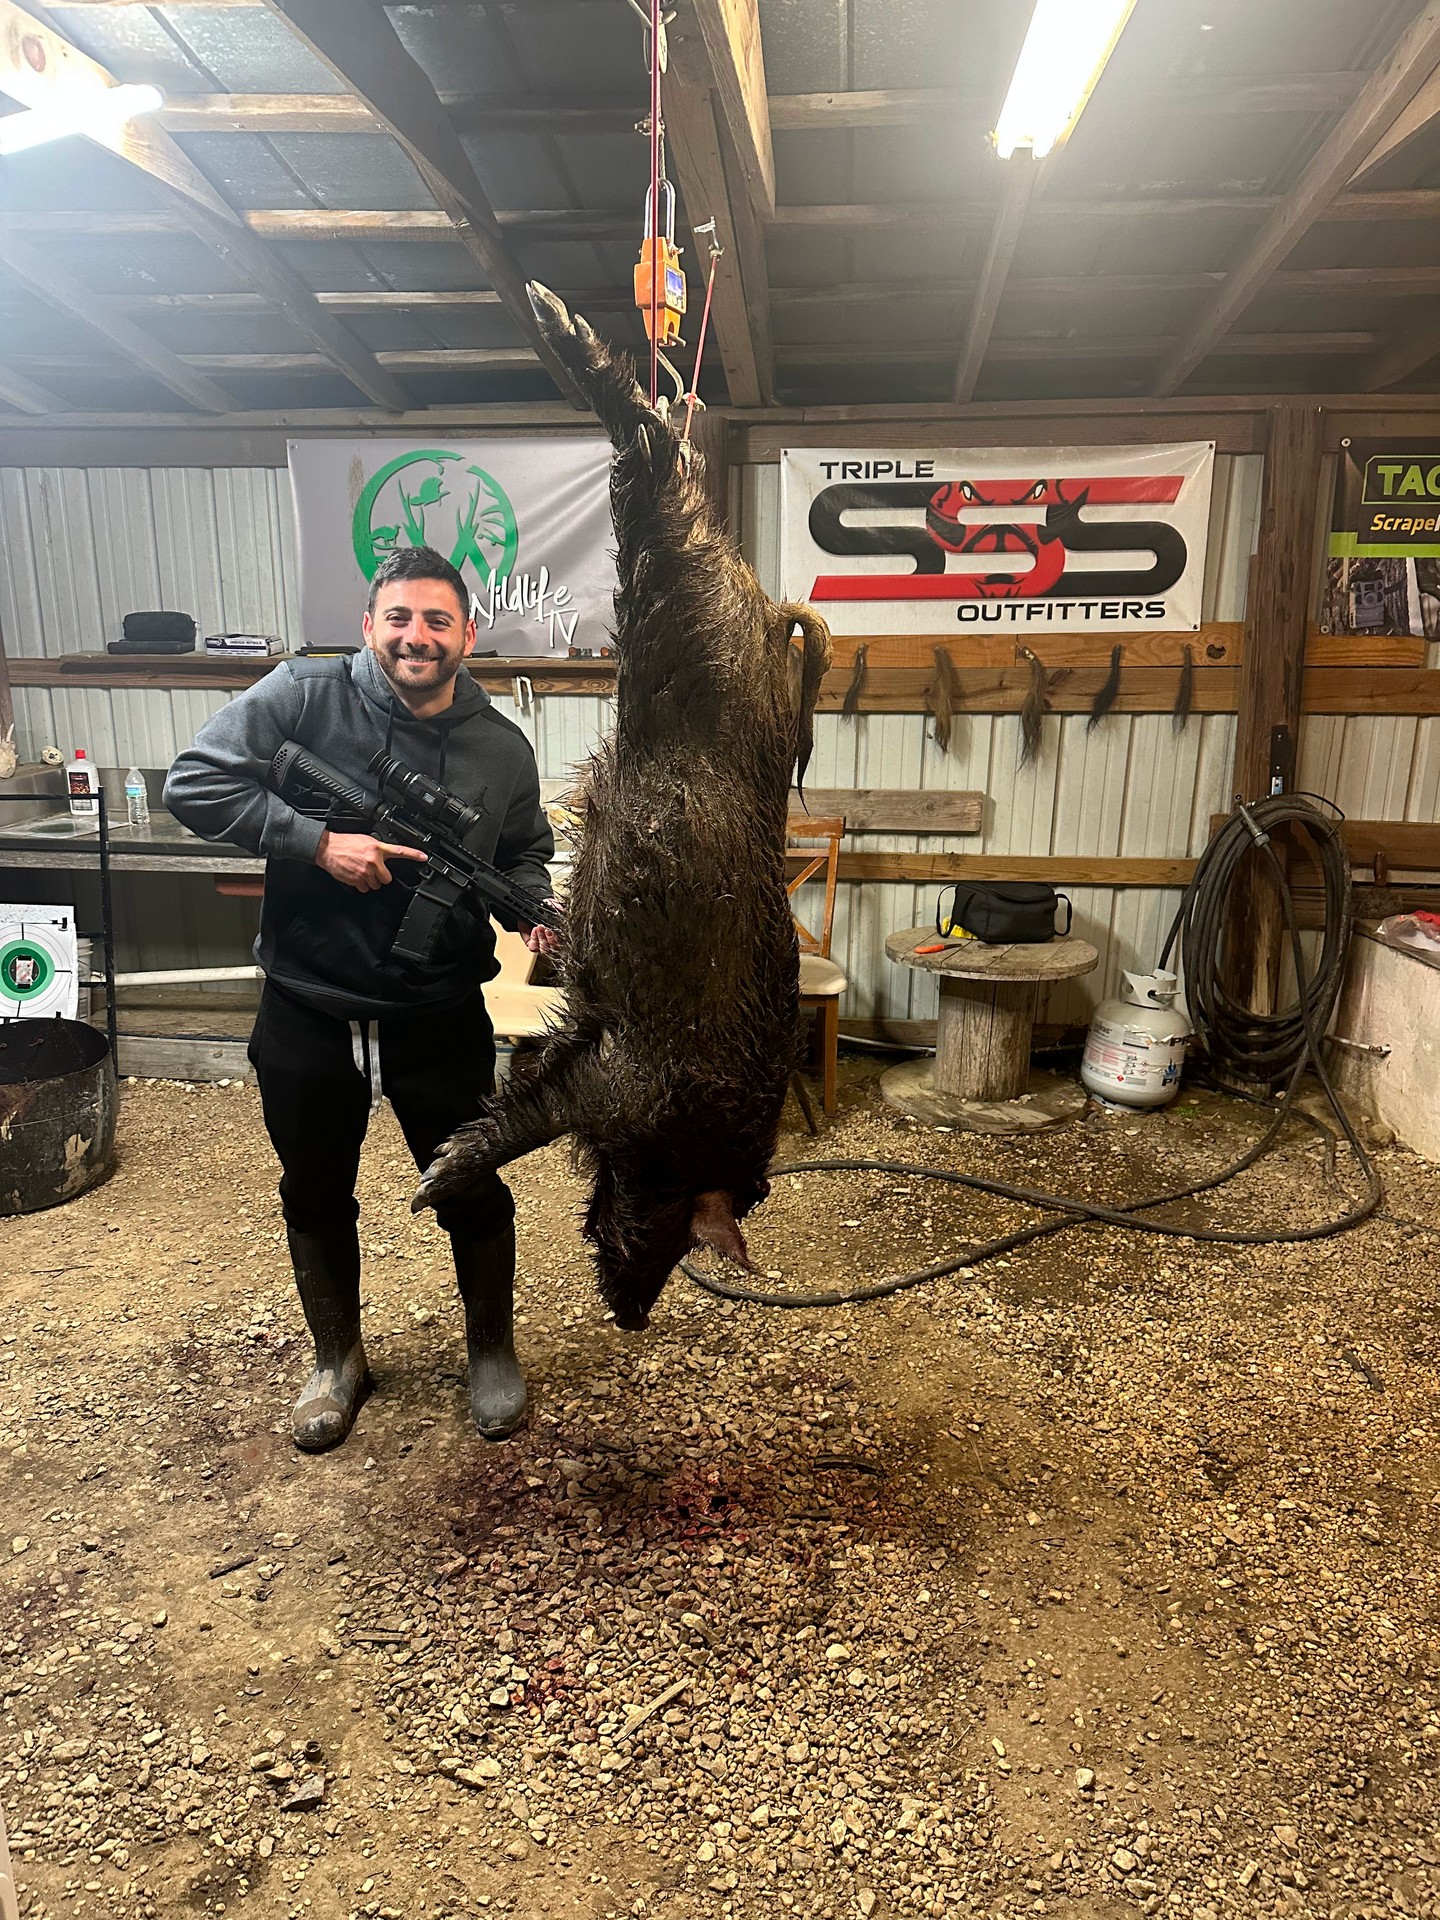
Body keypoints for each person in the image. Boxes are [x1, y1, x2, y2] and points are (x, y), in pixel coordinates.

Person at [164, 545, 559, 1453]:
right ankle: (336, 1361)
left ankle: (490, 1351)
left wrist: (533, 910)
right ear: (370, 624)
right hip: (309, 1003)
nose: (417, 637)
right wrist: (316, 842)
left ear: (467, 635)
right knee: (313, 1187)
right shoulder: (302, 697)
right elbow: (195, 782)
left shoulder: (501, 747)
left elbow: (524, 852)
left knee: (470, 1182)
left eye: (437, 621)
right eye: (400, 618)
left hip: (438, 1011)